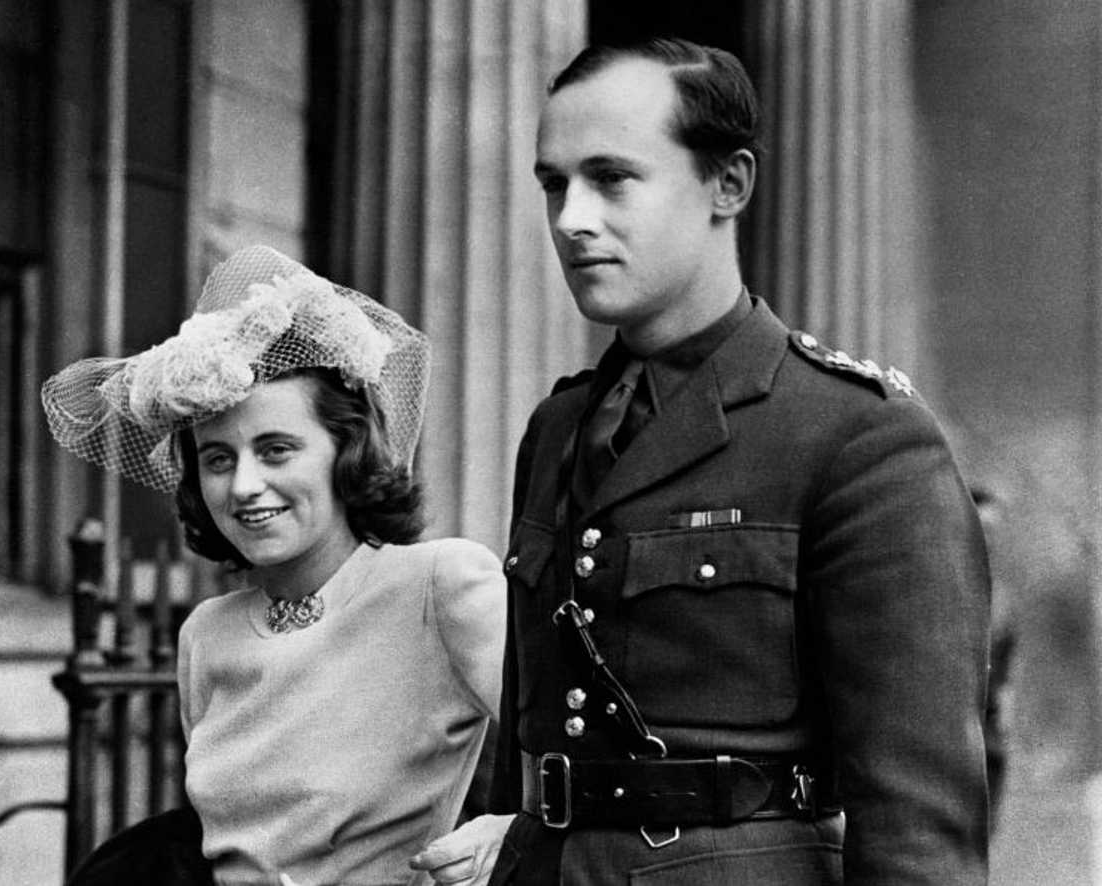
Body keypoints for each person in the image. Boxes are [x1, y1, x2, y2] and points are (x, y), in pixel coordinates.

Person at [412, 37, 991, 885]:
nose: (572, 217)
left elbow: (918, 827)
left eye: (611, 179)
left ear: (730, 184)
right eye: (553, 184)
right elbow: (536, 738)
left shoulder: (856, 439)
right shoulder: (560, 426)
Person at [41, 245, 506, 885]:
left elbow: (586, 768)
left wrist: (510, 835)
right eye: (218, 459)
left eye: (277, 449)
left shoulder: (440, 586)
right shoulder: (206, 633)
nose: (244, 486)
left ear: (346, 450)